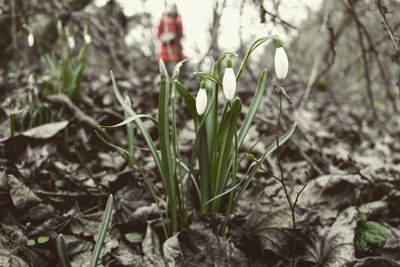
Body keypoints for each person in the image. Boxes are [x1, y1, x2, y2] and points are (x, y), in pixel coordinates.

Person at [157, 3, 185, 69]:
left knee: (175, 64)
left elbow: (180, 34)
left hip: (175, 47)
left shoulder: (178, 20)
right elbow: (159, 34)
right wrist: (164, 37)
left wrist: (174, 36)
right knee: (164, 64)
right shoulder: (163, 19)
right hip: (165, 46)